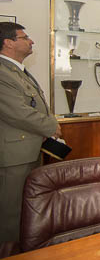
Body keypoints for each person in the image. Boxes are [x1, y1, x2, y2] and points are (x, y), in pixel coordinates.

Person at [0, 22, 61, 242]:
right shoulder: (3, 73)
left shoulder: (16, 71)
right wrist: (51, 126)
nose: (31, 41)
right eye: (24, 37)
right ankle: (11, 257)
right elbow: (18, 113)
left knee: (28, 209)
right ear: (8, 43)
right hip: (14, 157)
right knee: (12, 213)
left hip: (29, 150)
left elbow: (35, 104)